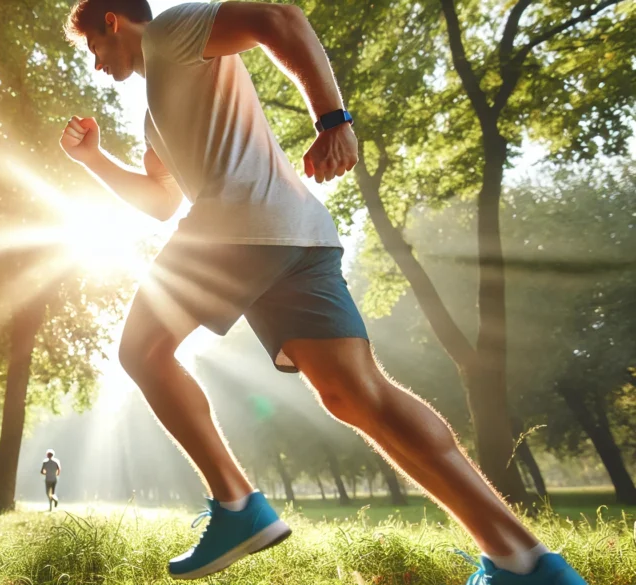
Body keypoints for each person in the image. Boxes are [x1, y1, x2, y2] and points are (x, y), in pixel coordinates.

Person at [57, 1, 587, 583]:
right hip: (297, 234)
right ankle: (524, 561)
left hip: (240, 229)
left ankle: (237, 507)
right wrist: (92, 159)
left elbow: (279, 20)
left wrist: (334, 119)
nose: (97, 65)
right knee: (359, 396)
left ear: (111, 21)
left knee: (141, 351)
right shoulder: (155, 113)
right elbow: (161, 201)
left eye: (92, 49)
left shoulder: (173, 30)